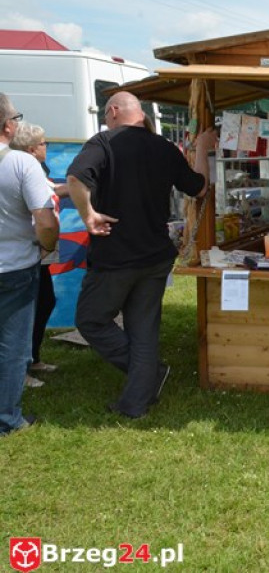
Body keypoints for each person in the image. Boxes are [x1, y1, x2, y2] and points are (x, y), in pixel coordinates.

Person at [66, 91, 216, 419]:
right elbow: (200, 187)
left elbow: (76, 178)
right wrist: (204, 149)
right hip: (156, 256)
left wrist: (88, 214)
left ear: (116, 111)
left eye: (106, 114)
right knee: (144, 329)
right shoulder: (163, 147)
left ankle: (145, 378)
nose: (105, 120)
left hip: (115, 256)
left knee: (90, 320)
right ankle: (138, 397)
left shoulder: (103, 142)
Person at [0, 94, 59, 435]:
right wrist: (45, 247)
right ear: (8, 126)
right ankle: (7, 419)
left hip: (16, 266)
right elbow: (46, 222)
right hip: (15, 268)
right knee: (12, 347)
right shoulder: (22, 164)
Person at [11, 122, 66, 387]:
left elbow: (52, 192)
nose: (48, 147)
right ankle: (20, 371)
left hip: (38, 253)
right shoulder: (24, 168)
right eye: (44, 143)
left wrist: (81, 187)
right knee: (28, 311)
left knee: (44, 303)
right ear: (32, 149)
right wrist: (44, 242)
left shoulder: (37, 170)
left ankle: (32, 359)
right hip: (31, 252)